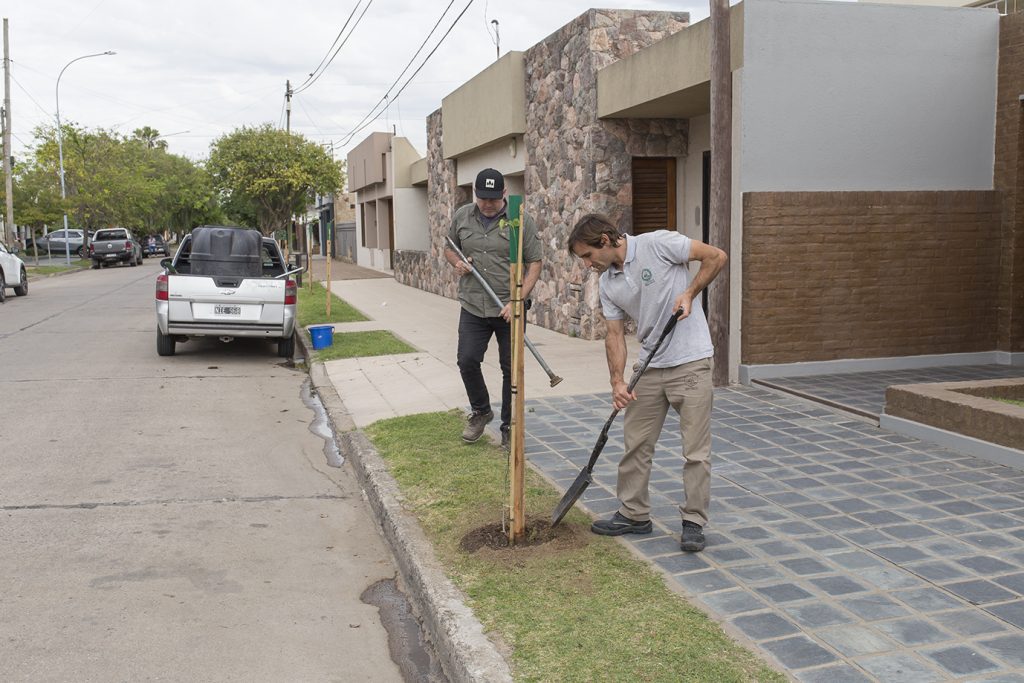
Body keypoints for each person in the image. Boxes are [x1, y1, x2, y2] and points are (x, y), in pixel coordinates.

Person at [566, 213, 726, 552]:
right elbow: (614, 335)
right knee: (636, 443)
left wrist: (690, 292)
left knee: (695, 451)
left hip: (691, 361)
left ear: (605, 241)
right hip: (651, 366)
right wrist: (617, 381)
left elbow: (716, 256)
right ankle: (634, 513)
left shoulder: (659, 244)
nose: (587, 263)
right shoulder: (608, 282)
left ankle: (694, 521)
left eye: (588, 255)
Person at [444, 169, 542, 447]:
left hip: (508, 308)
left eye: (492, 199)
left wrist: (518, 300)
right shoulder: (463, 215)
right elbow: (449, 247)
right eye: (481, 198)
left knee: (511, 370)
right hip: (474, 304)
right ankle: (481, 411)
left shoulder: (519, 219)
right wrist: (457, 263)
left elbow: (535, 262)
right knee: (467, 360)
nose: (486, 205)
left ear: (503, 194)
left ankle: (509, 426)